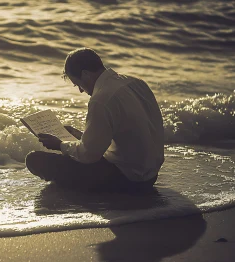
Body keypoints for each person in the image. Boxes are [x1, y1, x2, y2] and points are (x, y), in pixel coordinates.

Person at [25, 47, 164, 192]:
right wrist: (79, 136)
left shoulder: (101, 99)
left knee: (35, 160)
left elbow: (88, 155)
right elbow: (126, 136)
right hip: (150, 176)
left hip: (128, 180)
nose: (80, 90)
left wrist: (60, 145)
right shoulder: (137, 83)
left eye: (77, 84)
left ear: (85, 74)